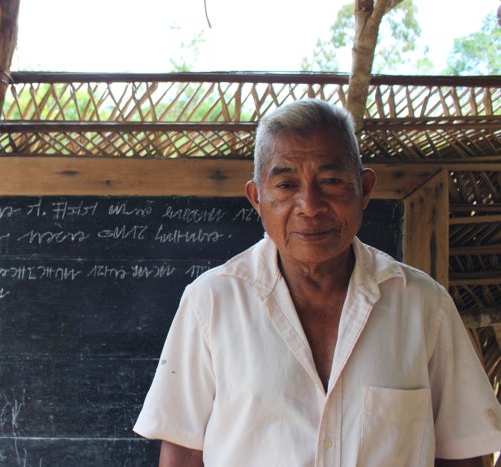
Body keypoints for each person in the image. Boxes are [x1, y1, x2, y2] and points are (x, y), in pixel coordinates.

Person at [133, 99, 501, 466]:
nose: (309, 204)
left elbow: (463, 452)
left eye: (332, 181)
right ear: (257, 198)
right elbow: (182, 452)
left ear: (365, 189)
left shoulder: (423, 306)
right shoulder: (210, 302)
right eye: (286, 184)